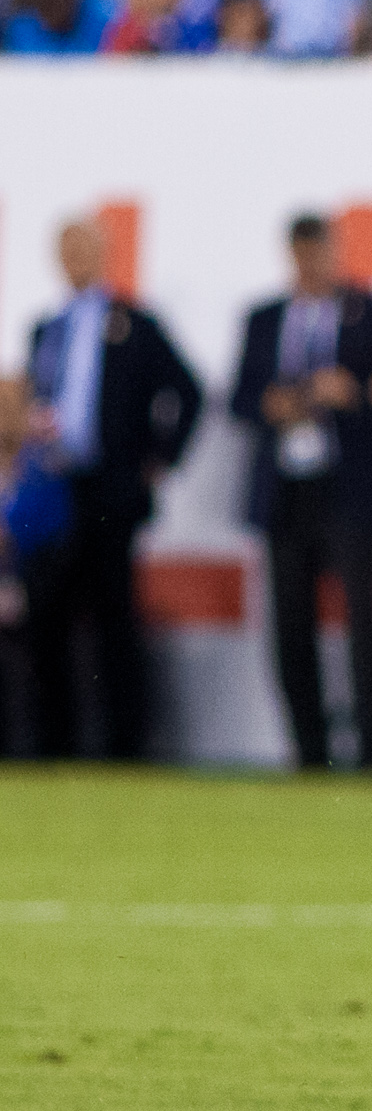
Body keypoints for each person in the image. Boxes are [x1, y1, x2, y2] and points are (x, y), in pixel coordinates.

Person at [21, 218, 202, 758]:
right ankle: (54, 744)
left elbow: (186, 391)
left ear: (104, 254)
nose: (76, 260)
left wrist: (158, 459)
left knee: (114, 620)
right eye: (67, 250)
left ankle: (127, 745)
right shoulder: (45, 330)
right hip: (53, 491)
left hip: (110, 492)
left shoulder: (134, 324)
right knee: (47, 620)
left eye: (85, 249)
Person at [231, 214, 372, 771]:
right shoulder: (263, 319)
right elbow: (238, 396)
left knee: (361, 627)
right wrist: (269, 404)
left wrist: (353, 391)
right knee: (290, 626)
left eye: (319, 252)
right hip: (286, 490)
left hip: (348, 486)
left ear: (334, 252)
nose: (311, 264)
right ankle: (308, 752)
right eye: (301, 254)